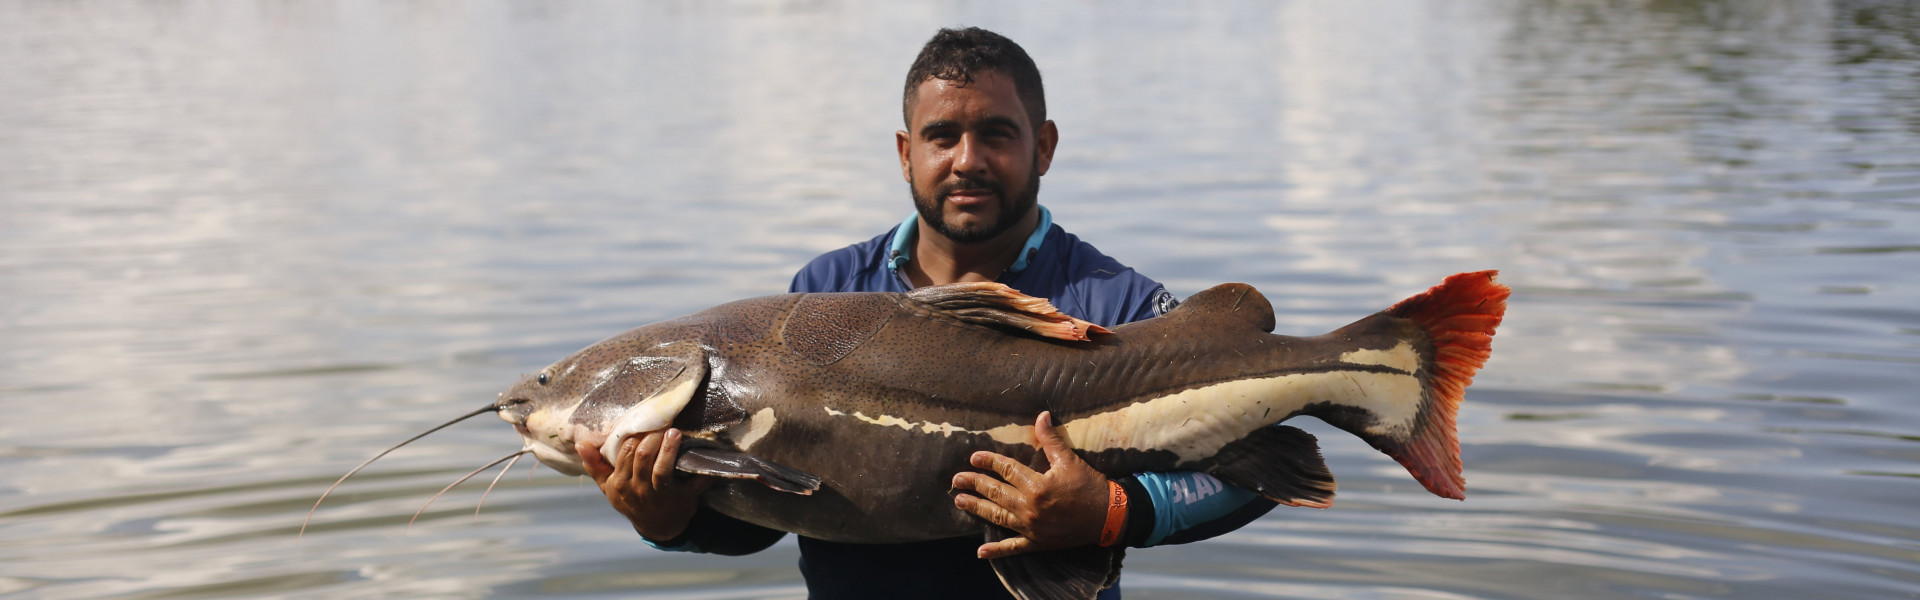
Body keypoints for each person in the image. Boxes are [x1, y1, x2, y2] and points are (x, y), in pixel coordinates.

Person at [582, 27, 1276, 599]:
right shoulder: (823, 292)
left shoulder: (1116, 302)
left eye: (997, 135)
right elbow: (773, 511)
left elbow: (1259, 473)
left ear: (1045, 146)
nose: (967, 160)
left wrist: (1113, 512)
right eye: (942, 136)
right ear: (906, 153)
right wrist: (669, 519)